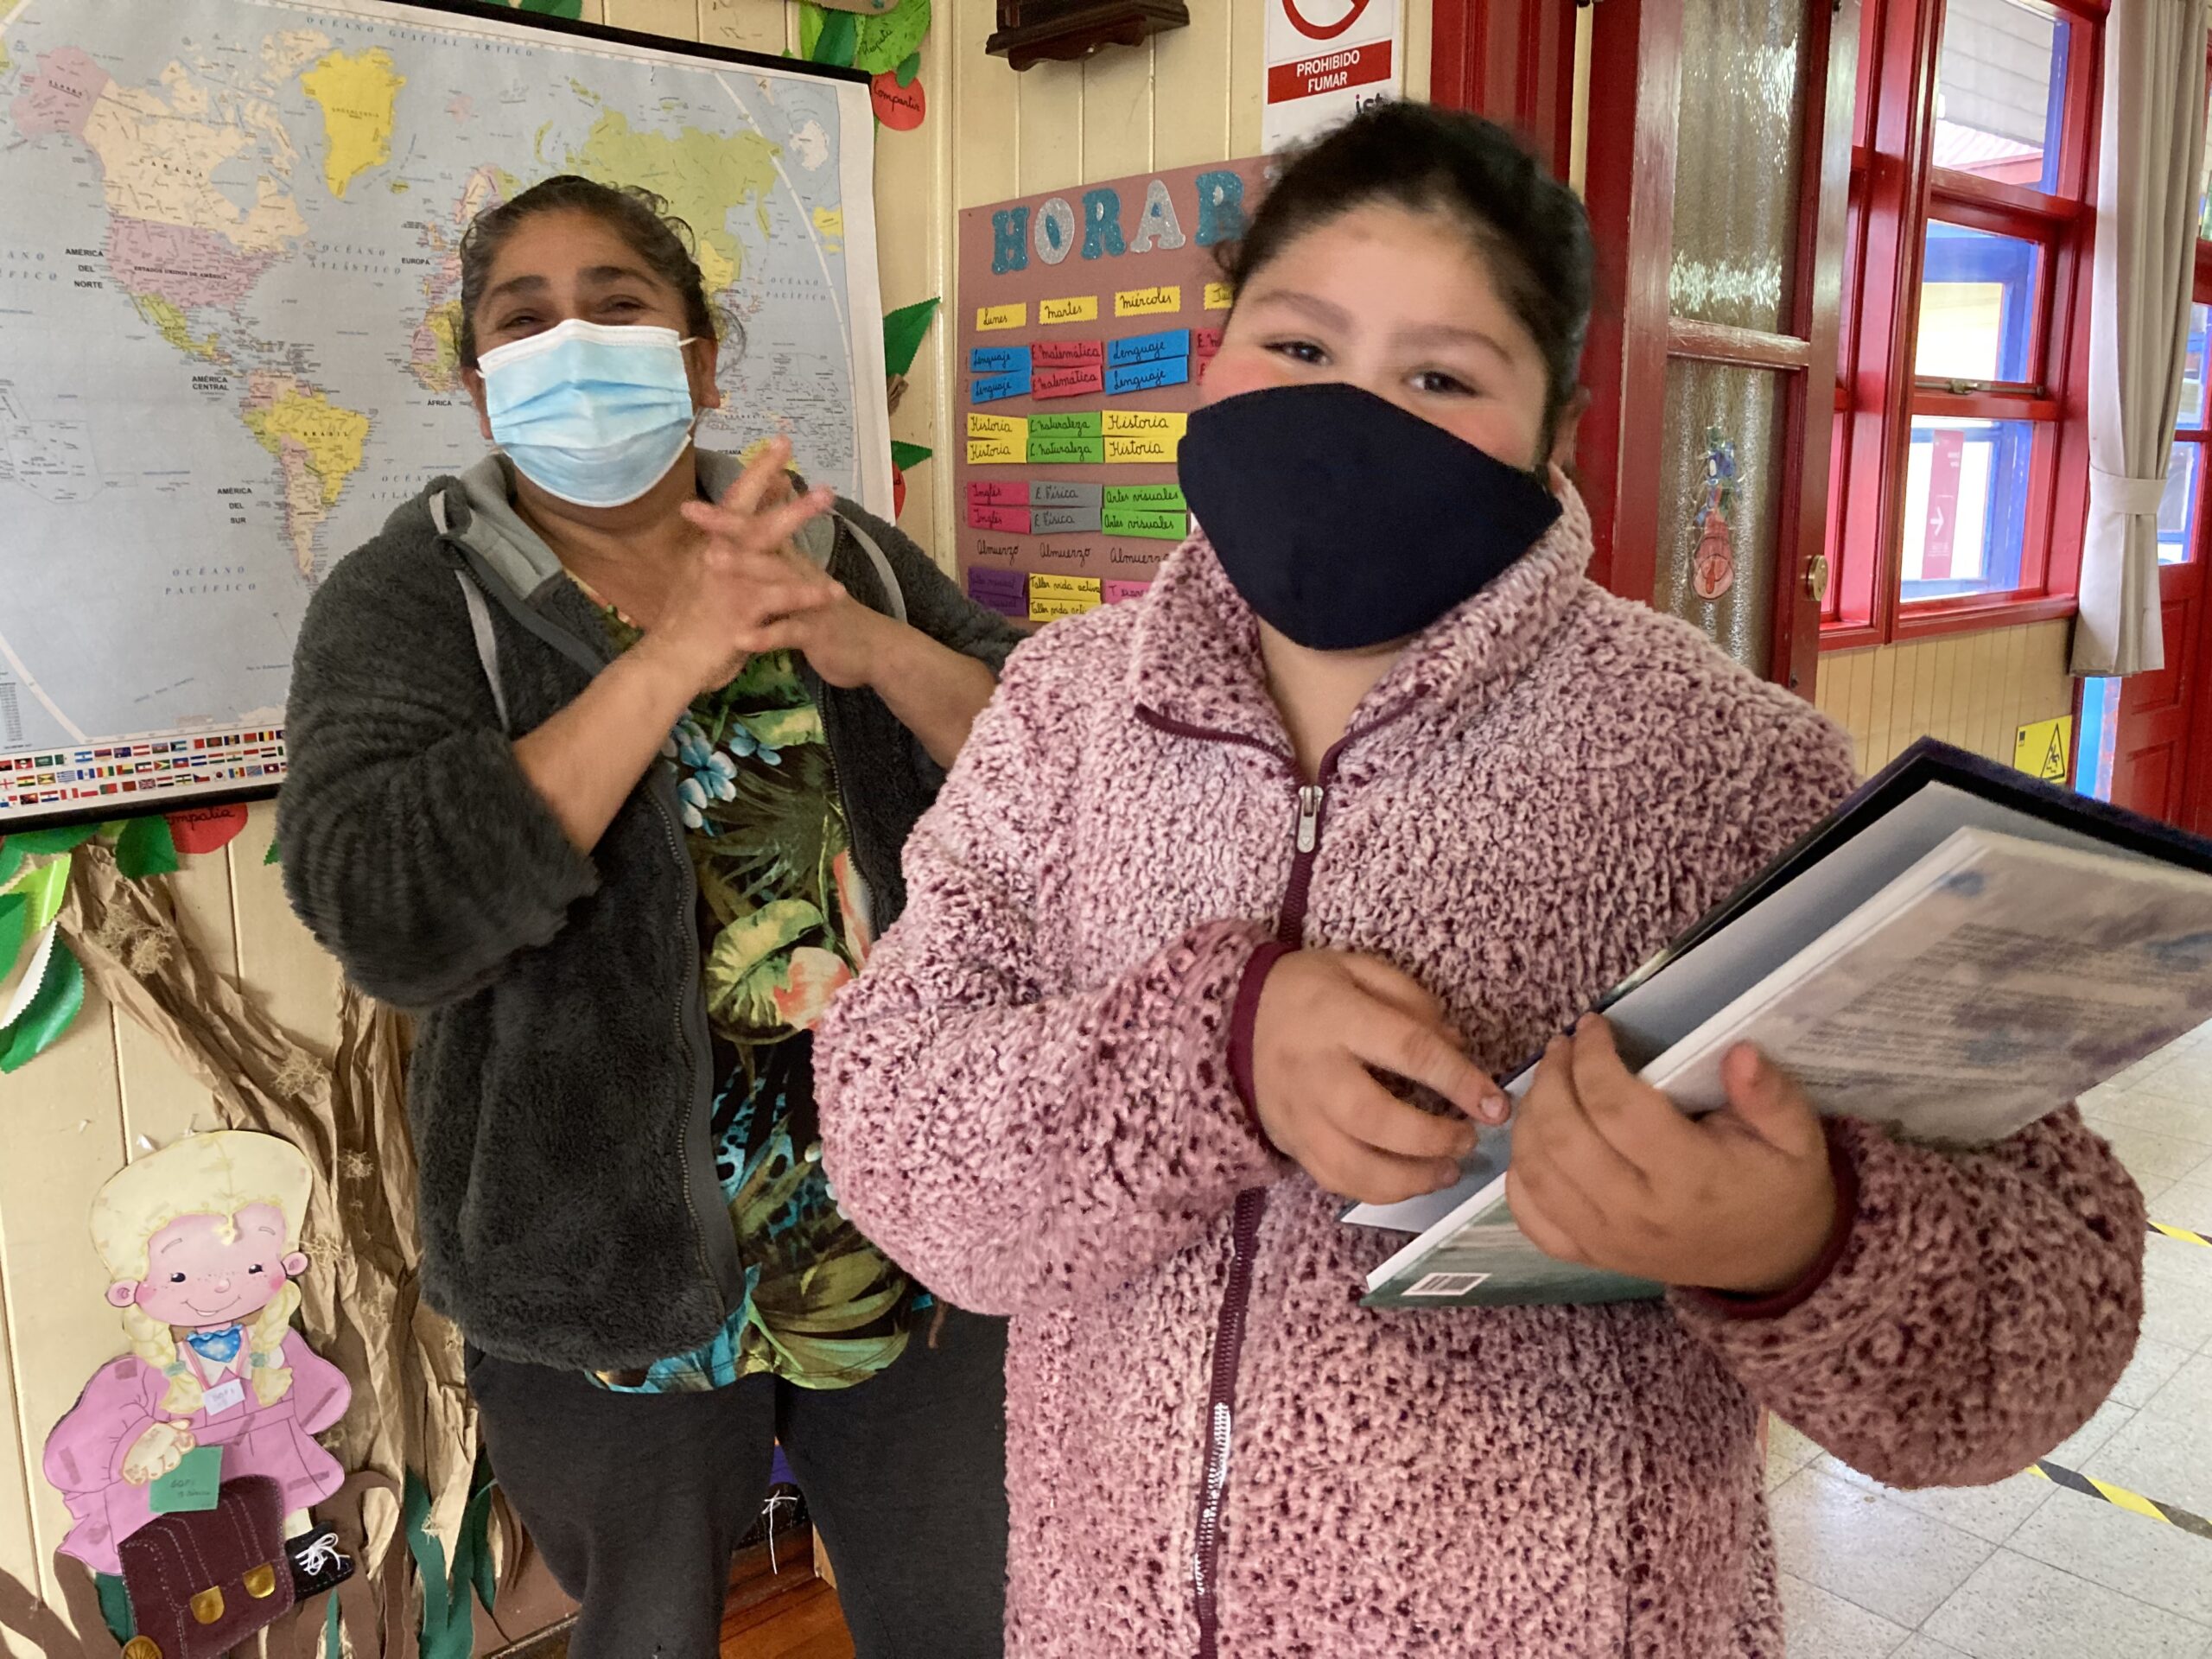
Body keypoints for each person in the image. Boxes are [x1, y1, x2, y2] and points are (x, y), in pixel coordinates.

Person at [812, 105, 2145, 1657]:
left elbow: (2043, 1324)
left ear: (1553, 433)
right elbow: (895, 1135)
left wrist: (1800, 1237)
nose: (1349, 414)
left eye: (1441, 377)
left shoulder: (1720, 766)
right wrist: (1209, 1057)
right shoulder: (1061, 714)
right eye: (1299, 346)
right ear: (1214, 357)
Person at [281, 176, 1017, 1658]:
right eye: (524, 319)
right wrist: (667, 660)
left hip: (912, 1235)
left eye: (616, 305)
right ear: (478, 383)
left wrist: (876, 647)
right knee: (647, 1634)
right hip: (599, 1270)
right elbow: (388, 912)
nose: (572, 342)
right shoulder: (412, 597)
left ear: (699, 357)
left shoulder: (844, 554)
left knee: (972, 1617)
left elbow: (1059, 771)